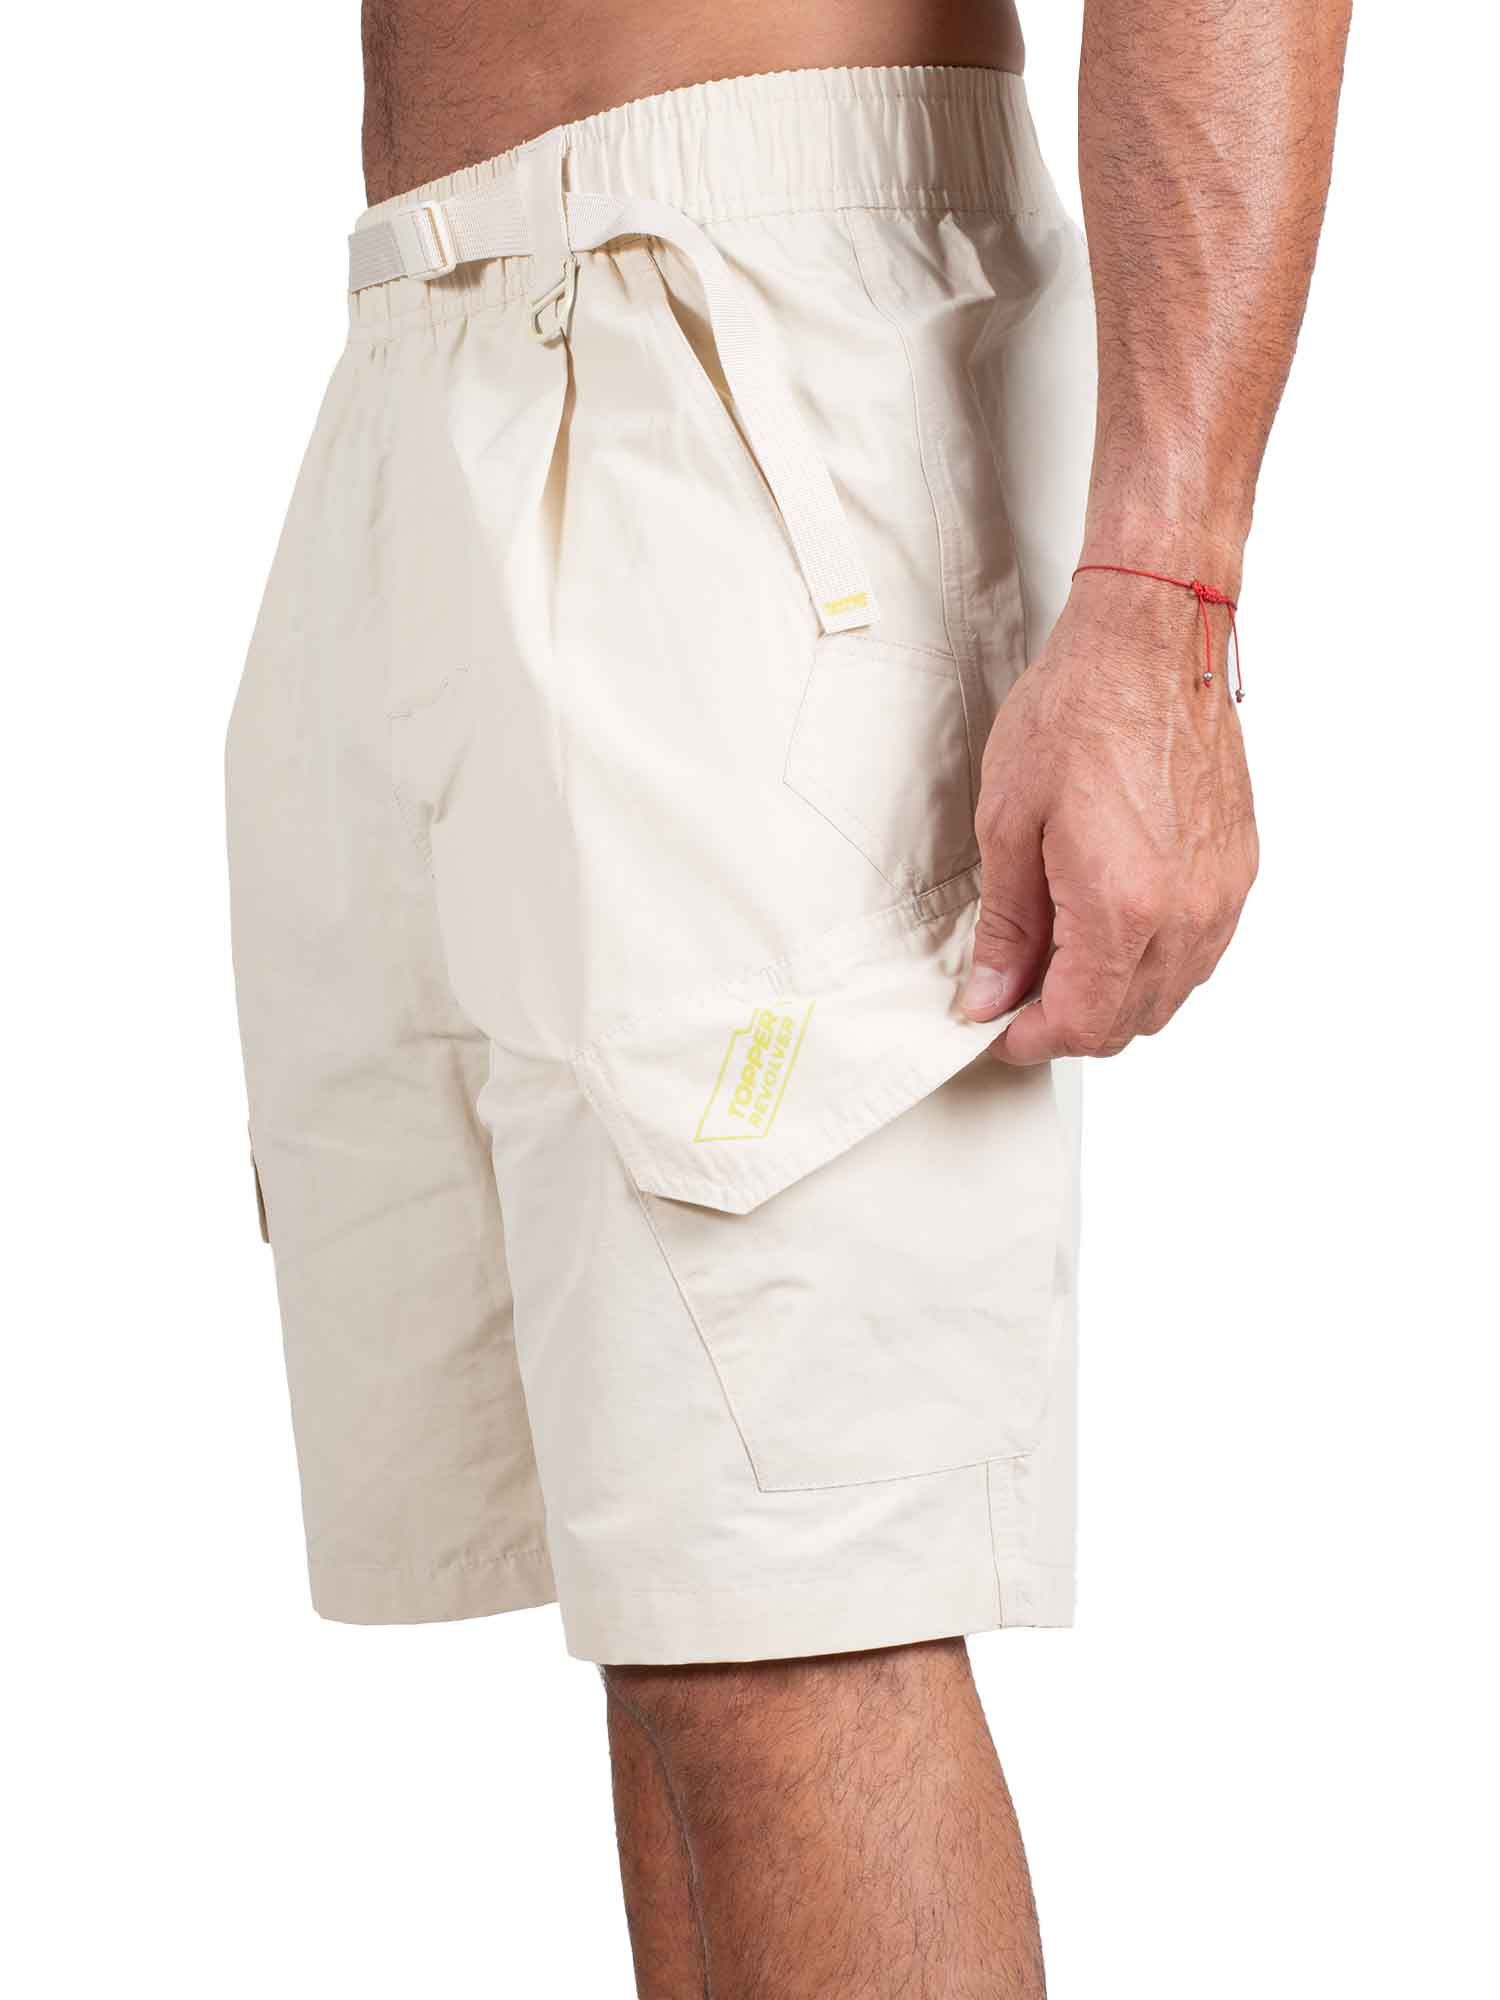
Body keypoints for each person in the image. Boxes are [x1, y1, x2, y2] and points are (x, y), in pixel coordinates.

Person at [226, 1, 1349, 1990]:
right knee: (678, 1619)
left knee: (791, 1625)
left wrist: (1165, 591)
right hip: (427, 333)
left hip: (746, 328)